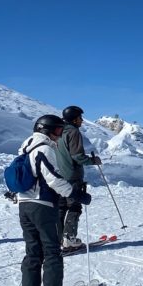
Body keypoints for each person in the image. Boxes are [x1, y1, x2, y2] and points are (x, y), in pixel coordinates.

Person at [18, 114, 91, 286]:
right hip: (43, 206)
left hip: (24, 207)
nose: (59, 135)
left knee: (33, 251)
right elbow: (54, 179)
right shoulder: (44, 149)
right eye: (58, 131)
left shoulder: (24, 148)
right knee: (51, 251)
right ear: (47, 131)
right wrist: (77, 195)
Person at [56, 105, 102, 249]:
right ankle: (69, 239)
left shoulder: (57, 131)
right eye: (80, 118)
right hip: (72, 175)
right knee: (74, 205)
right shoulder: (73, 132)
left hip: (57, 175)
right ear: (74, 119)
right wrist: (93, 160)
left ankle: (56, 239)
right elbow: (77, 157)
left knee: (61, 207)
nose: (82, 120)